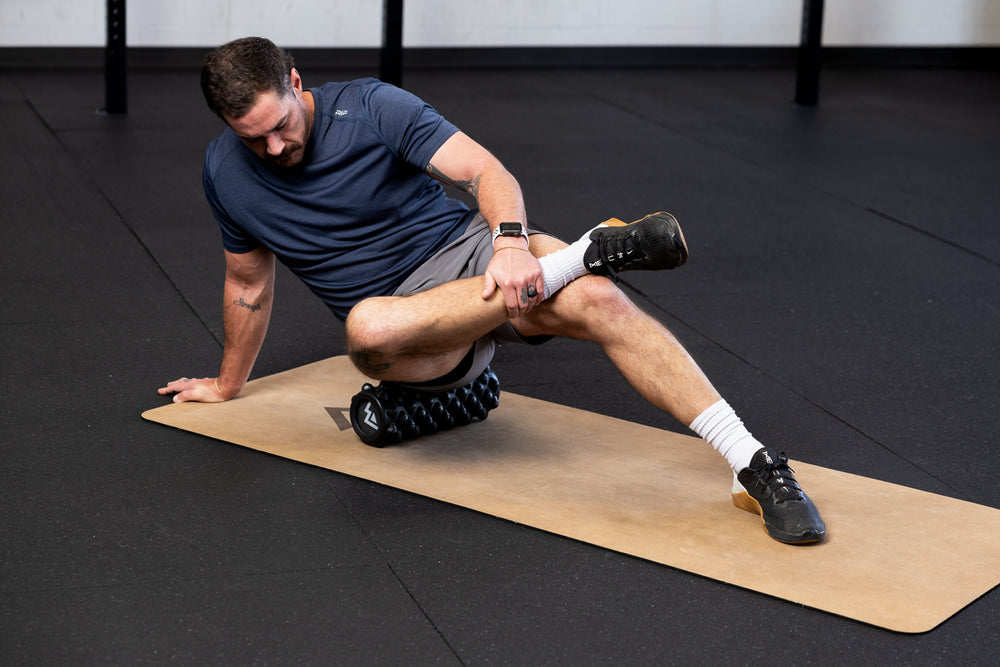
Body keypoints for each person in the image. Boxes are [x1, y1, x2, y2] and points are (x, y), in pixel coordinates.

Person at [158, 37, 826, 545]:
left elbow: (484, 170)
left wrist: (508, 243)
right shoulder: (226, 173)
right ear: (225, 123)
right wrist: (226, 382)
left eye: (282, 125)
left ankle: (751, 462)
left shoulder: (369, 106)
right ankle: (582, 255)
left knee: (601, 301)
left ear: (296, 81)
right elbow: (247, 281)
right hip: (413, 333)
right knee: (366, 330)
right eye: (256, 139)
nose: (275, 147)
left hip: (479, 256)